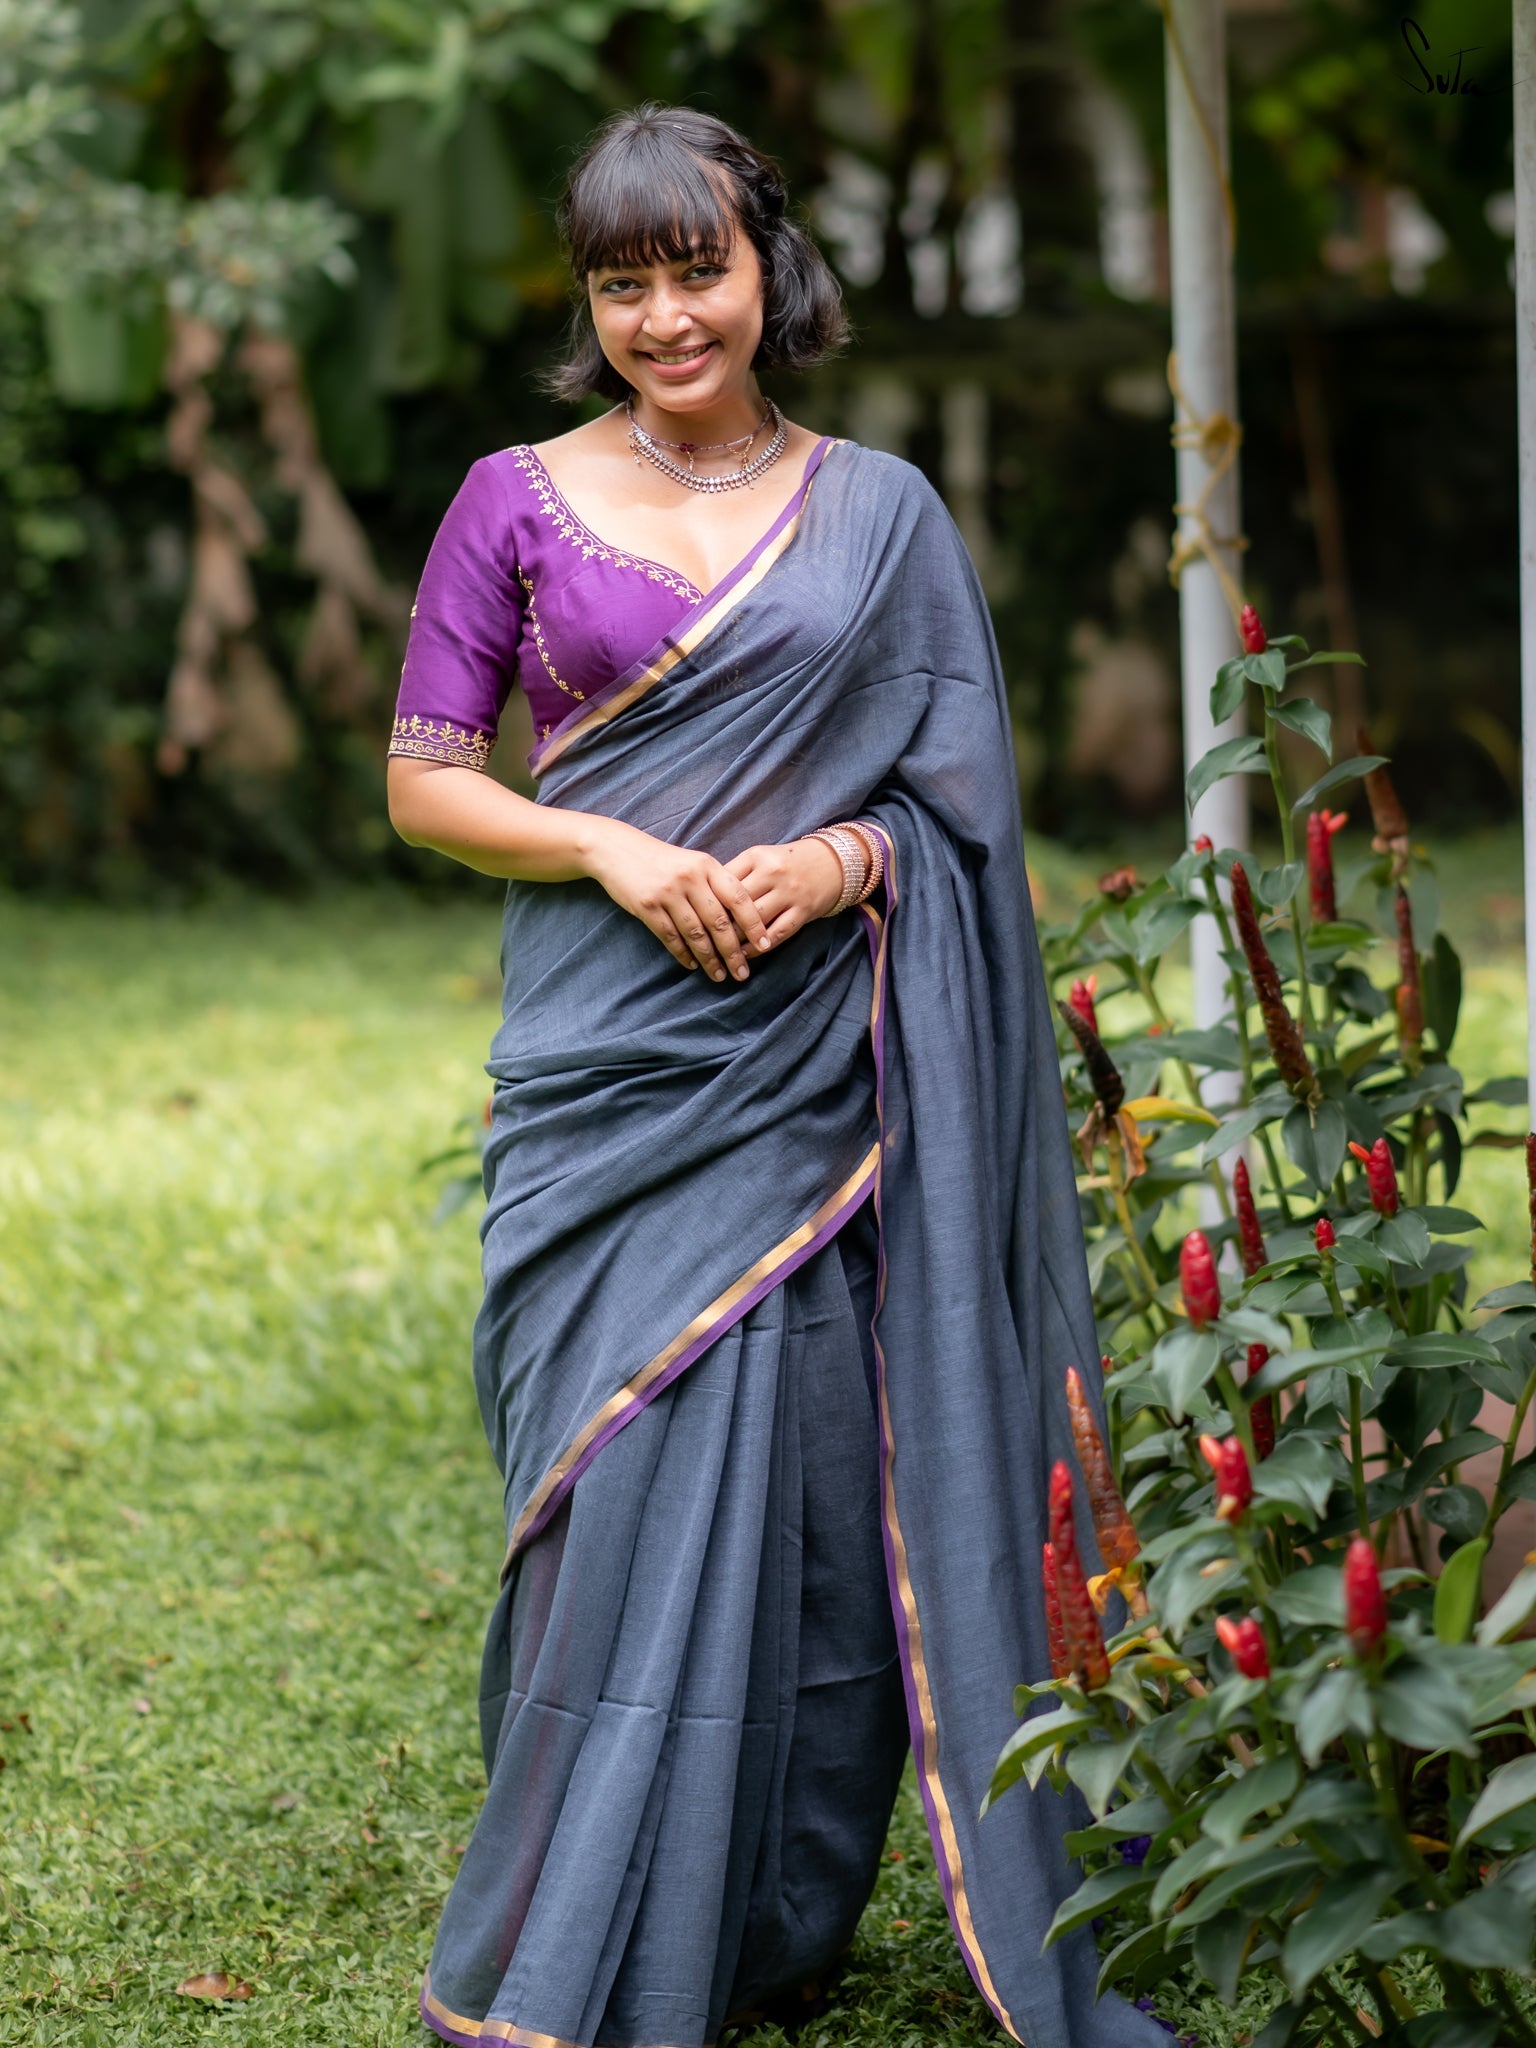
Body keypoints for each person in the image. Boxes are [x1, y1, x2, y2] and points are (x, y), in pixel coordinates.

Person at [387, 102, 1163, 2048]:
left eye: (696, 269)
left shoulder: (882, 513)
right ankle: (591, 1921)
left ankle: (760, 1915)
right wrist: (610, 848)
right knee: (619, 1484)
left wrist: (840, 862)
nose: (663, 317)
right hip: (610, 1074)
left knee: (809, 1497)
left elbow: (956, 806)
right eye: (620, 283)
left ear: (769, 268)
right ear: (589, 302)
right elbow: (425, 778)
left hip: (822, 1065)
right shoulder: (511, 497)